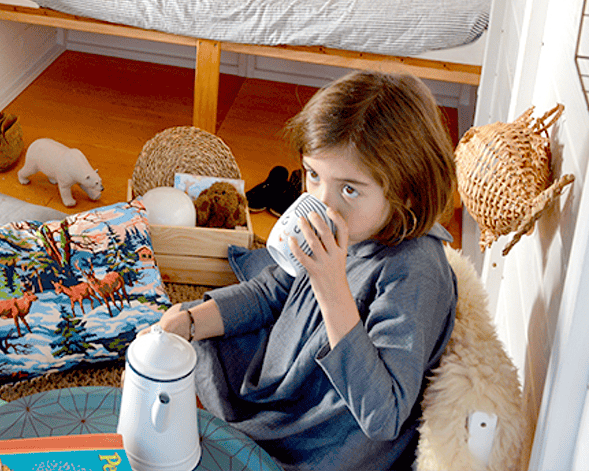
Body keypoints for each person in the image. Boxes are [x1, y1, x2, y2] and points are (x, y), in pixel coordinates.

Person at [152, 70, 458, 471]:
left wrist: (332, 287)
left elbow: (384, 416)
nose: (323, 204)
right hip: (293, 369)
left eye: (349, 189)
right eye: (313, 175)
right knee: (200, 330)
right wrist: (190, 322)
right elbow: (272, 291)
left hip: (323, 431)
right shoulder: (347, 225)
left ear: (408, 190)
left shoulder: (413, 272)